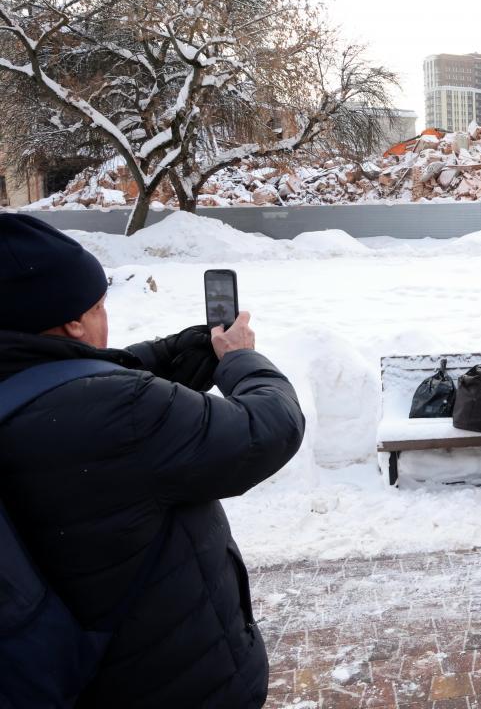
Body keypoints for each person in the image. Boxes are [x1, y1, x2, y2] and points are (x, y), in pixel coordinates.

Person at [0, 214, 305, 708]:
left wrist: (170, 354)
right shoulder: (121, 411)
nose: (105, 318)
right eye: (98, 307)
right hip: (168, 679)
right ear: (73, 322)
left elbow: (57, 380)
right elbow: (266, 429)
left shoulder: (26, 390)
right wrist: (241, 360)